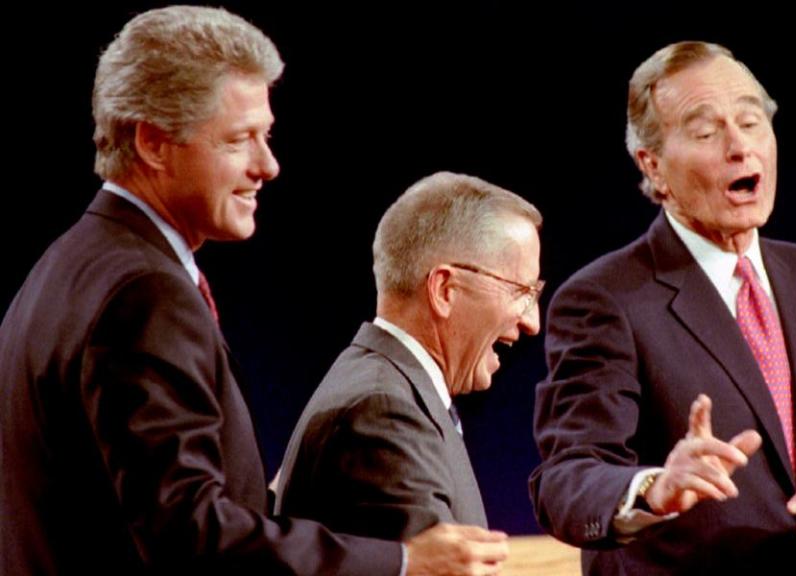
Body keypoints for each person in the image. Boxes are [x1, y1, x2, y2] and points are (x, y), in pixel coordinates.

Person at [0, 7, 506, 575]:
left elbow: (129, 505)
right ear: (153, 142)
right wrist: (405, 559)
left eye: (266, 136)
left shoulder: (67, 265)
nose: (268, 165)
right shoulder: (144, 295)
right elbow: (186, 535)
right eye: (240, 139)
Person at [528, 41, 796, 575]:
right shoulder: (606, 298)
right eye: (705, 132)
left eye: (751, 122)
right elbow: (566, 478)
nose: (740, 147)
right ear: (653, 168)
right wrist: (655, 488)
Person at [274, 172, 543, 541]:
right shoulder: (384, 412)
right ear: (445, 289)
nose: (532, 321)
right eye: (521, 291)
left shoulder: (392, 390)